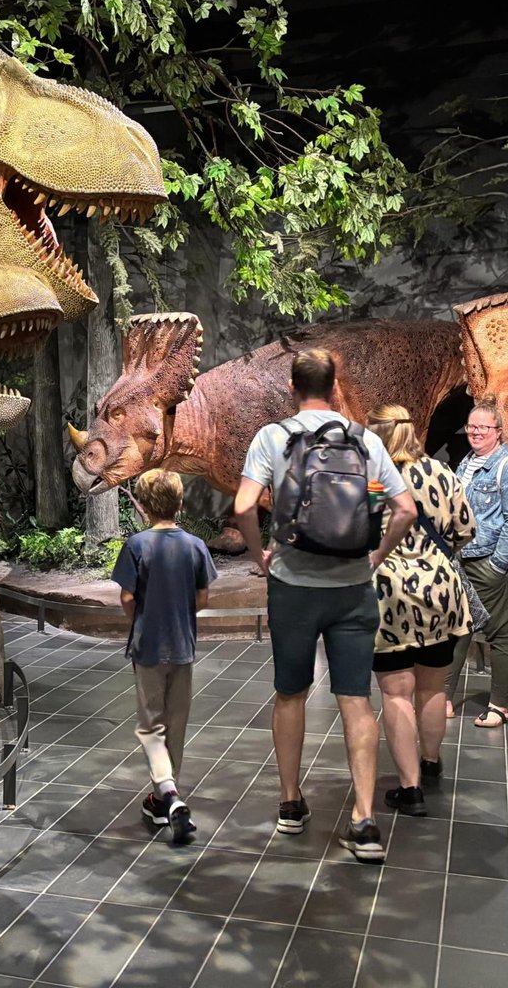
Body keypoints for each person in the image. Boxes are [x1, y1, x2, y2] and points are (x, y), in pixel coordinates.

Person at [233, 348, 416, 860]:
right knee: (356, 700)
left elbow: (244, 506)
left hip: (292, 586)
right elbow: (403, 509)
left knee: (290, 694)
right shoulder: (366, 441)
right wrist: (375, 553)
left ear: (292, 388)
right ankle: (364, 820)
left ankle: (291, 804)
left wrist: (259, 555)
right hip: (354, 588)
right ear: (336, 388)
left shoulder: (273, 438)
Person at [364, 405, 475, 816]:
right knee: (434, 686)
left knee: (396, 694)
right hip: (442, 593)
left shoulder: (375, 479)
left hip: (389, 593)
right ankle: (431, 762)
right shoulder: (444, 473)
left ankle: (409, 789)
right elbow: (466, 530)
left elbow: (364, 529)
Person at [113, 468, 216, 845]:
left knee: (150, 726)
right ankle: (161, 799)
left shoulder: (137, 545)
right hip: (184, 647)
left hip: (148, 648)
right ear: (180, 503)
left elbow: (126, 597)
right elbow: (203, 598)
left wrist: (141, 617)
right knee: (176, 723)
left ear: (142, 506)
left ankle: (169, 794)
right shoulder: (195, 546)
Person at [443, 400, 508, 728]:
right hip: (466, 560)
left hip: (499, 563)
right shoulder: (468, 462)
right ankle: (443, 699)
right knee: (458, 628)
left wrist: (497, 565)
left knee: (502, 633)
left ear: (498, 432)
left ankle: (499, 706)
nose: (476, 432)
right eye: (472, 427)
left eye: (484, 427)